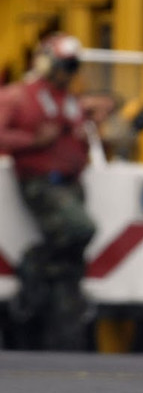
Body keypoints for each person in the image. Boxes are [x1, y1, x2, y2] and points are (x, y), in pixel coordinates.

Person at [0, 33, 98, 350]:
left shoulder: (68, 99)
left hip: (71, 185)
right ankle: (33, 264)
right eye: (65, 65)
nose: (68, 72)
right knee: (81, 229)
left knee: (69, 271)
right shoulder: (18, 96)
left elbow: (75, 132)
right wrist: (33, 142)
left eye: (73, 66)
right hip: (44, 184)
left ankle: (61, 338)